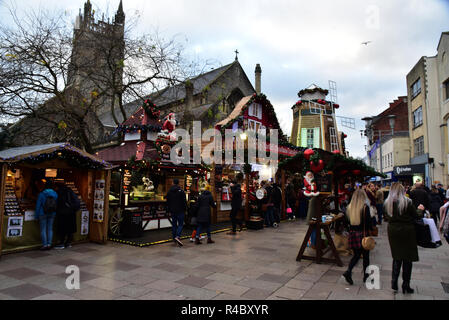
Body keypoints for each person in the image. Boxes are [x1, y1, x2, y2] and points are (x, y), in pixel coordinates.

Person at [384, 182, 423, 294]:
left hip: (393, 231)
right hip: (407, 231)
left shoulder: (387, 203)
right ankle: (406, 284)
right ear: (402, 191)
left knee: (397, 256)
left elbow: (386, 217)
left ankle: (394, 282)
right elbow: (417, 215)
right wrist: (420, 209)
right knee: (407, 258)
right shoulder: (407, 202)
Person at [342, 189, 373, 285]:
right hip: (363, 235)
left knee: (356, 255)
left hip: (353, 234)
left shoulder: (349, 208)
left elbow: (346, 222)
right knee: (366, 257)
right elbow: (368, 224)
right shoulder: (365, 208)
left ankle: (348, 271)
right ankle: (366, 276)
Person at [54, 182, 80, 249]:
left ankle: (61, 243)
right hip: (71, 213)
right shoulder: (70, 191)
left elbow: (59, 203)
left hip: (64, 213)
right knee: (70, 229)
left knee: (62, 229)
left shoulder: (60, 192)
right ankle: (68, 243)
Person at [35, 179, 58, 250]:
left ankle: (44, 245)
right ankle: (49, 244)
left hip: (43, 213)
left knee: (43, 229)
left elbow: (38, 205)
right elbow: (56, 204)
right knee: (50, 229)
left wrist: (36, 216)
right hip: (52, 213)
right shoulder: (55, 194)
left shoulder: (41, 194)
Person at [166, 179, 187, 246]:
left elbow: (168, 202)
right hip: (180, 210)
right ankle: (177, 236)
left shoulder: (169, 191)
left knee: (174, 225)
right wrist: (185, 209)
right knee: (180, 224)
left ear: (172, 183)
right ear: (178, 183)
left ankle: (174, 238)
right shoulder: (181, 191)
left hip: (172, 211)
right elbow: (184, 202)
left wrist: (168, 210)